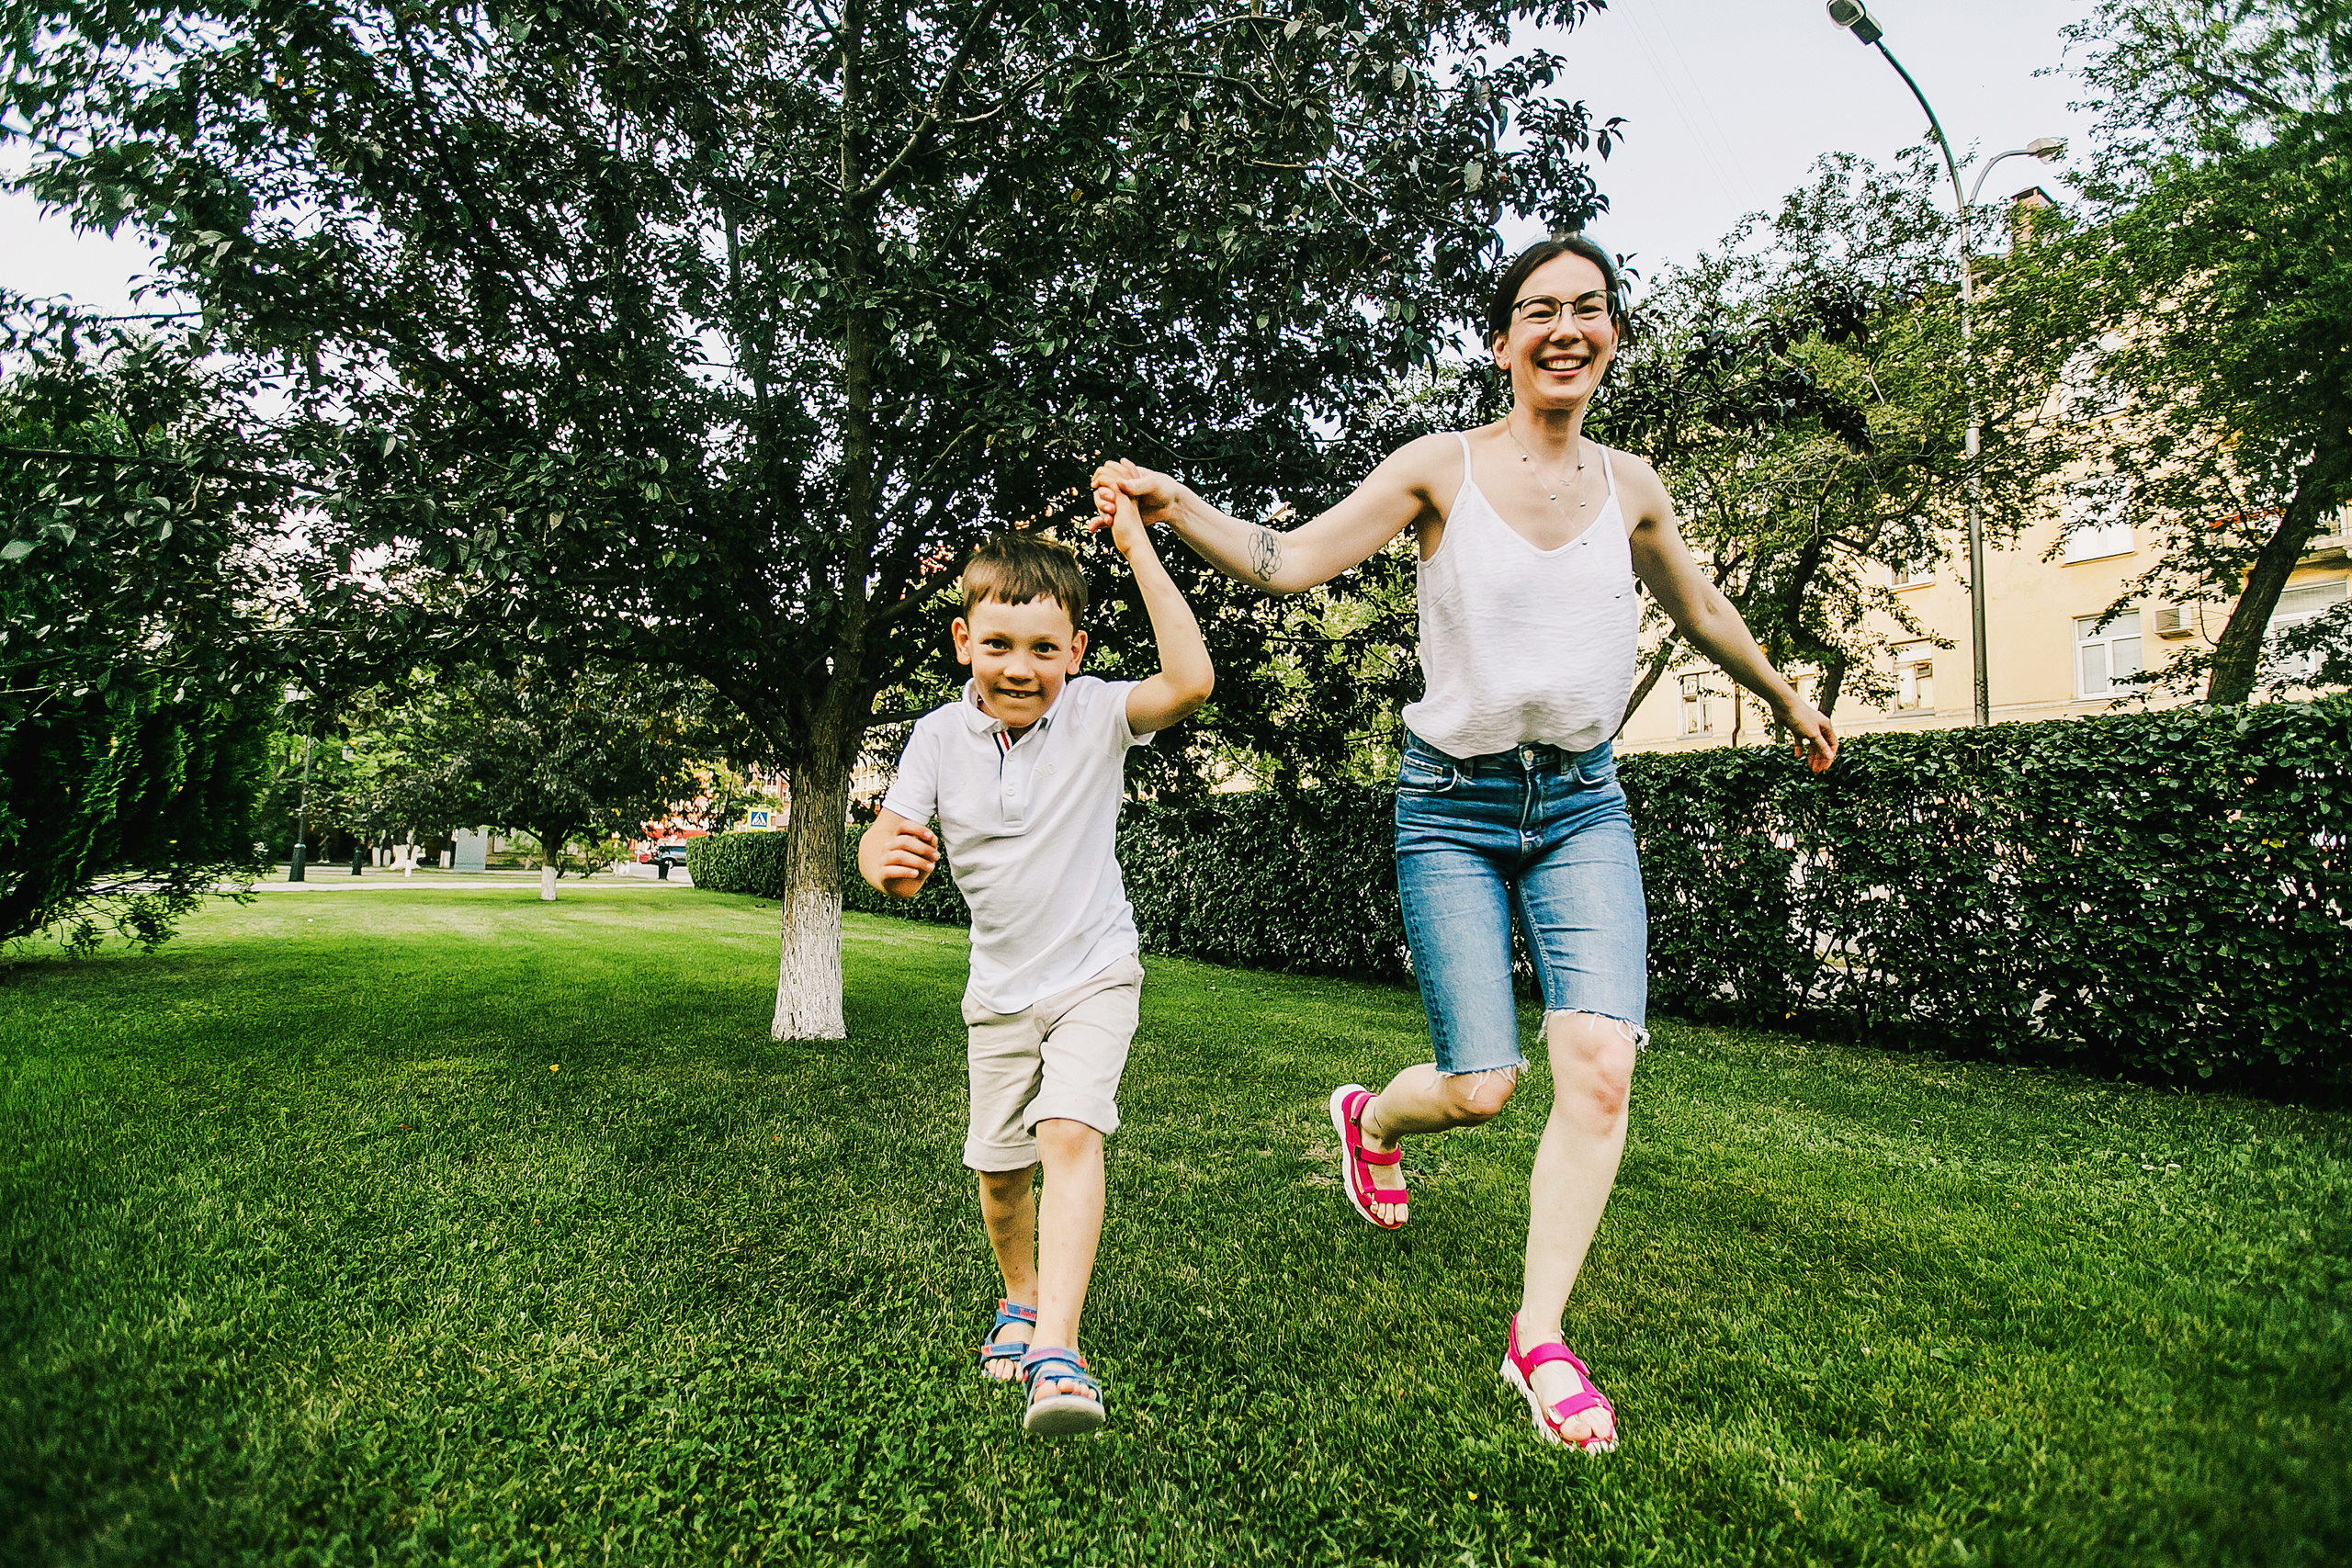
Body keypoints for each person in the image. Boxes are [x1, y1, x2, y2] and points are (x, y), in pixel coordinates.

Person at [1091, 235, 1838, 1453]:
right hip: (1454, 804)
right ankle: (1373, 1122)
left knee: (1600, 1063)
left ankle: (1539, 1335)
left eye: (1588, 309)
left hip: (1583, 802)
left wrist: (1783, 693)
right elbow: (1291, 563)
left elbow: (1699, 606)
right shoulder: (1441, 467)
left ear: (1610, 337)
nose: (1565, 328)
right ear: (1503, 342)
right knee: (1484, 1085)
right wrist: (1180, 506)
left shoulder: (1633, 485)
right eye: (1538, 310)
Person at [857, 498, 1214, 1437]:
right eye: (1000, 644)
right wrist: (883, 864)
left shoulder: (1099, 716)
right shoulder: (935, 736)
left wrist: (1136, 541)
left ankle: (1059, 1351)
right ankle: (1018, 1298)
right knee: (1000, 1175)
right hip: (998, 989)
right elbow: (889, 833)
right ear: (963, 640)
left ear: (1078, 651)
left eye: (1045, 650)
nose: (1020, 667)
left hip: (1095, 970)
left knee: (1069, 1132)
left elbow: (1190, 679)